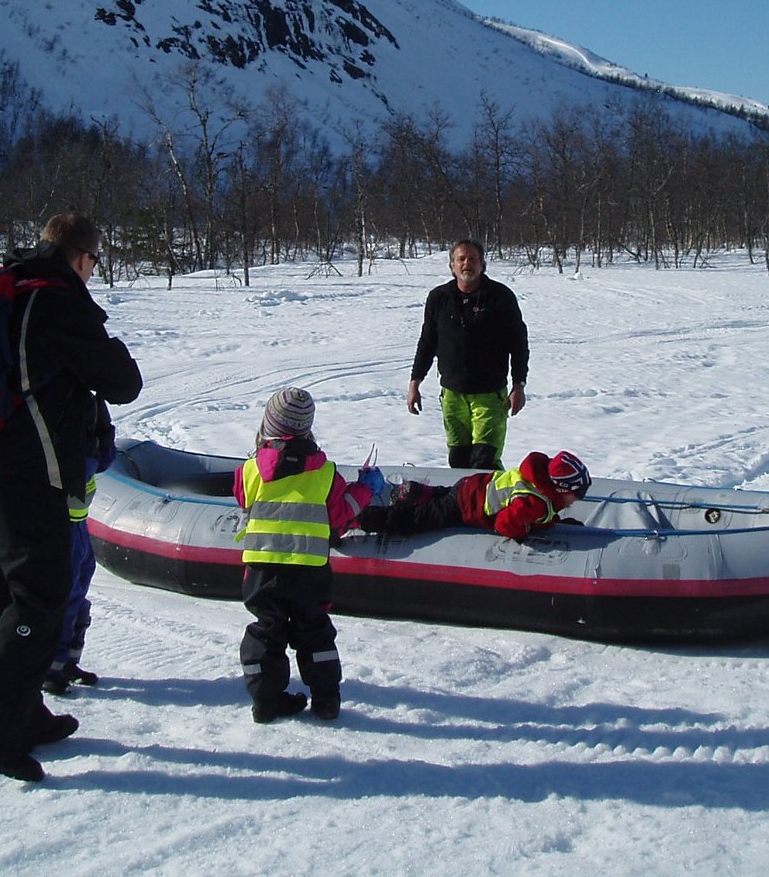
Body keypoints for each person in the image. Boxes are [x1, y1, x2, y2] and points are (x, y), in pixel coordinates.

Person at [0, 214, 142, 782]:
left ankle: (21, 713)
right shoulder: (56, 299)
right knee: (40, 599)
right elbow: (123, 383)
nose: (94, 271)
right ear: (82, 256)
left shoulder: (3, 289)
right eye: (96, 261)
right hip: (25, 475)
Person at [234, 387, 382, 724]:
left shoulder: (249, 470)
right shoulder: (326, 473)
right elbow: (341, 515)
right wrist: (365, 489)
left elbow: (243, 499)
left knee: (266, 630)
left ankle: (266, 700)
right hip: (309, 570)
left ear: (269, 424)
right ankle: (326, 698)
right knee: (314, 629)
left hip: (262, 569)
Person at [407, 239, 529, 469]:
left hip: (489, 395)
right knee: (458, 460)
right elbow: (427, 343)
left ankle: (496, 493)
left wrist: (518, 384)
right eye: (461, 259)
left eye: (473, 258)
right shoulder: (439, 298)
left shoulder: (500, 297)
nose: (467, 264)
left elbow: (518, 344)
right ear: (452, 265)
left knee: (485, 461)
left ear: (482, 264)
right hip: (452, 394)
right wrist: (415, 384)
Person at [357, 450, 589, 543]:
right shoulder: (534, 503)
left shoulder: (536, 478)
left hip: (472, 486)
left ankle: (423, 493)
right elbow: (505, 523)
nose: (577, 500)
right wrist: (526, 532)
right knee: (420, 518)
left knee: (443, 497)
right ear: (561, 489)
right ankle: (363, 518)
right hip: (467, 506)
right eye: (576, 495)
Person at [42, 398, 114, 696]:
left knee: (79, 590)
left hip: (78, 523)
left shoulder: (87, 410)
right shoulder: (61, 428)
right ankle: (51, 666)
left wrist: (103, 433)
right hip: (61, 526)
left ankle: (69, 660)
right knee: (65, 594)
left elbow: (103, 460)